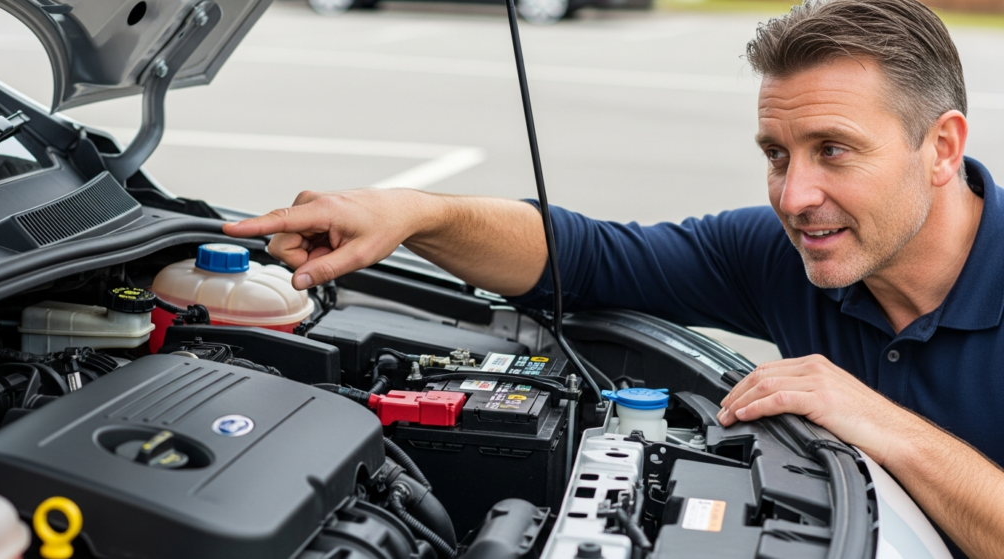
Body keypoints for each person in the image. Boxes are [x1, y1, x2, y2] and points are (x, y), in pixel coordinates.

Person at [224, 0, 1004, 556]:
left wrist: (873, 416)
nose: (794, 197)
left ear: (940, 148)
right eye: (776, 153)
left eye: (834, 149)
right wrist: (416, 215)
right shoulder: (786, 252)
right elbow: (588, 256)